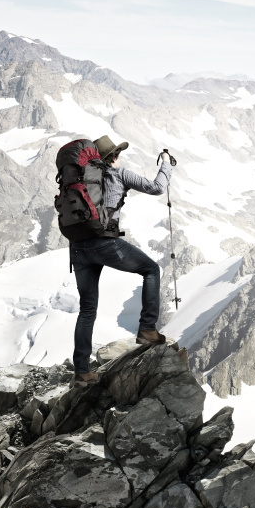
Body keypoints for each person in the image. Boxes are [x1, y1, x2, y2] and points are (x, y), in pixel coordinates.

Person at [69, 135, 174, 387]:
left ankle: (82, 372)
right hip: (105, 243)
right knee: (151, 270)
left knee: (86, 310)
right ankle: (147, 329)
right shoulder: (120, 174)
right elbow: (157, 187)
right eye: (118, 154)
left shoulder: (80, 179)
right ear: (114, 156)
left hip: (78, 247)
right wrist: (167, 164)